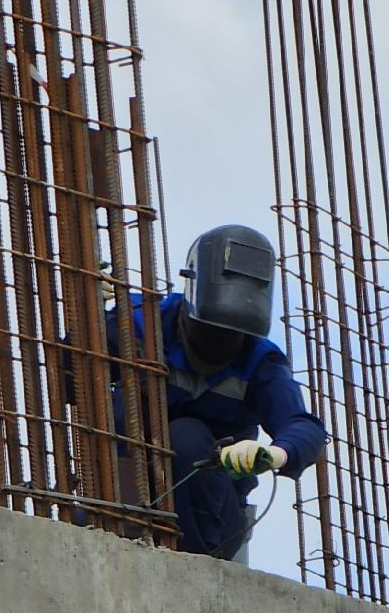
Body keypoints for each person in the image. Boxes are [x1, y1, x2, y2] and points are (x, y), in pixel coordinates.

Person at [119, 225, 326, 560]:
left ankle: (189, 567)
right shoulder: (141, 324)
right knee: (119, 404)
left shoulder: (259, 361)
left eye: (230, 336)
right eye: (210, 331)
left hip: (211, 523)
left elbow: (304, 426)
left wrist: (273, 454)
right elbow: (71, 376)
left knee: (185, 435)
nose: (218, 344)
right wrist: (90, 316)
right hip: (122, 496)